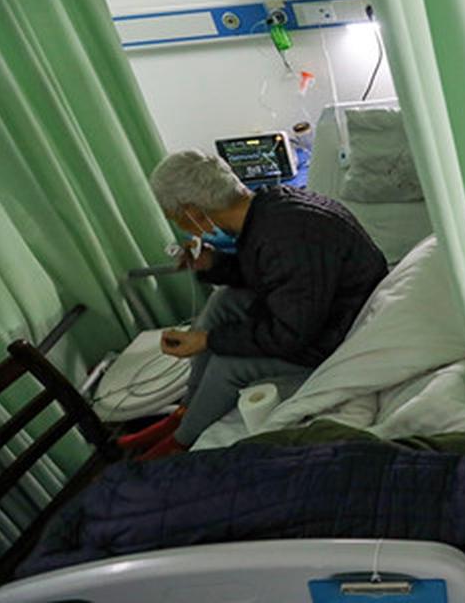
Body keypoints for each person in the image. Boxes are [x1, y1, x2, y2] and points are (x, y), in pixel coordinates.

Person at [119, 151, 389, 458]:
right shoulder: (266, 210)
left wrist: (208, 340)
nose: (179, 225)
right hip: (317, 308)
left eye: (175, 217)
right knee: (223, 300)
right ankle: (185, 411)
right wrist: (212, 263)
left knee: (228, 364)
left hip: (340, 332)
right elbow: (267, 275)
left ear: (192, 212)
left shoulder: (286, 236)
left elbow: (289, 334)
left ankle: (179, 443)